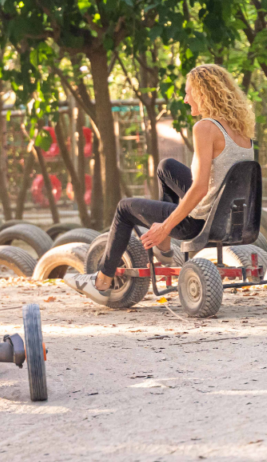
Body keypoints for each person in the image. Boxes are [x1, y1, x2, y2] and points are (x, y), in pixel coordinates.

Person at [65, 64, 255, 304]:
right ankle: (164, 248)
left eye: (188, 93)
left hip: (200, 223)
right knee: (167, 167)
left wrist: (164, 226)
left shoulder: (205, 128)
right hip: (233, 219)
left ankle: (101, 280)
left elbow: (201, 188)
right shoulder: (242, 131)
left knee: (124, 208)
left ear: (204, 94)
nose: (186, 100)